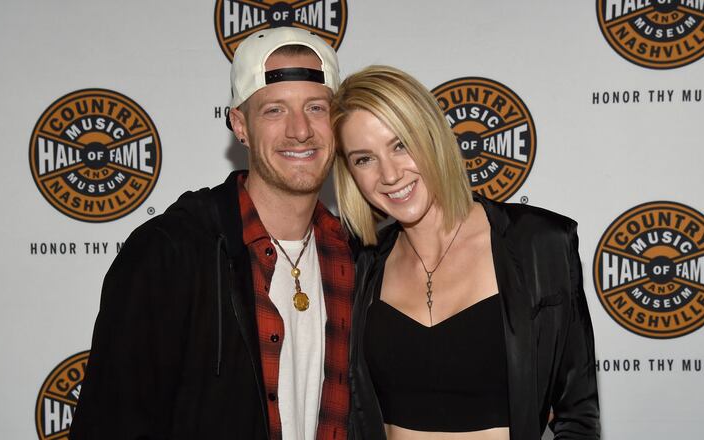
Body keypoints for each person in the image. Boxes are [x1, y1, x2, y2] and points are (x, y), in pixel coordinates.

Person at [70, 27, 354, 440]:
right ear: (240, 126)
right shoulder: (170, 253)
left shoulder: (356, 254)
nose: (300, 130)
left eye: (316, 108)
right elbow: (111, 423)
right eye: (274, 110)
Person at [330, 66, 600, 440]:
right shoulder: (359, 264)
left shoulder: (539, 245)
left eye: (400, 144)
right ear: (349, 172)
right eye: (364, 159)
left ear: (433, 137)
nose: (389, 174)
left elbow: (577, 417)